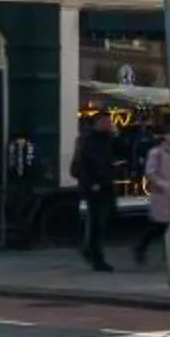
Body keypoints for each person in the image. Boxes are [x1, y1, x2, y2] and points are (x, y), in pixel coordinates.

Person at [69, 114, 115, 272]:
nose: (110, 124)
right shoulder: (90, 140)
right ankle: (95, 256)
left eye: (110, 122)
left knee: (102, 218)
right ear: (97, 123)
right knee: (96, 221)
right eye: (106, 122)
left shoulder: (107, 138)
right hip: (94, 185)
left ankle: (91, 250)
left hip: (105, 183)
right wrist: (93, 182)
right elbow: (87, 163)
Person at [129, 128, 170, 265]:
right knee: (160, 224)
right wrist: (162, 184)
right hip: (161, 192)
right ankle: (142, 248)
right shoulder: (156, 153)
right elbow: (150, 172)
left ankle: (166, 253)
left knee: (166, 224)